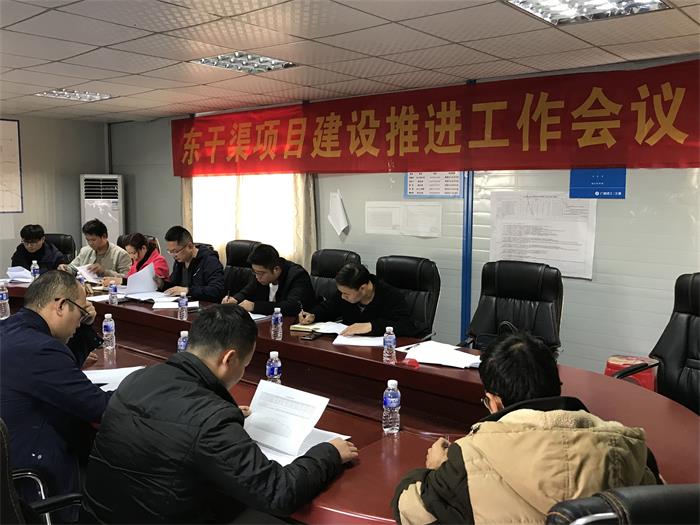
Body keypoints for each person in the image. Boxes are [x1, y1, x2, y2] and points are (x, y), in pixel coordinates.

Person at [81, 304, 358, 523]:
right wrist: (328, 454)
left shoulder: (138, 378)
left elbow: (170, 420)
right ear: (229, 358)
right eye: (245, 365)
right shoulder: (211, 420)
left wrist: (219, 414)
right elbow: (277, 492)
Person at [391, 332, 661, 525]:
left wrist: (433, 469)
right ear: (557, 387)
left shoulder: (468, 459)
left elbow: (410, 510)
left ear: (495, 401)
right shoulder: (628, 447)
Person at [0, 271, 112, 522]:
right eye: (80, 313)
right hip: (32, 477)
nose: (80, 322)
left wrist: (84, 328)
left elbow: (62, 373)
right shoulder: (40, 349)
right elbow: (98, 407)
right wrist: (144, 389)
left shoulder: (10, 329)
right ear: (61, 305)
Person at [297, 262, 419, 336]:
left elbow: (406, 325)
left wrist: (371, 326)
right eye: (341, 292)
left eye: (346, 294)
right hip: (349, 347)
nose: (342, 296)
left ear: (363, 288)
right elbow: (329, 307)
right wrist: (313, 315)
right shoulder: (346, 290)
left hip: (381, 352)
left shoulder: (390, 295)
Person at [223, 243, 316, 316]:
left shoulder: (297, 275)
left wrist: (255, 306)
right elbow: (247, 291)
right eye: (255, 272)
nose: (257, 277)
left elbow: (292, 307)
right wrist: (235, 299)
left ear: (276, 269)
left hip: (297, 324)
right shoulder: (259, 274)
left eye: (260, 273)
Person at [159, 226, 225, 302]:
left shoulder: (209, 260)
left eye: (175, 251)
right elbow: (175, 287)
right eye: (170, 251)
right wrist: (162, 284)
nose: (173, 255)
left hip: (204, 306)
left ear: (190, 246)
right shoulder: (179, 262)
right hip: (183, 305)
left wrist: (187, 291)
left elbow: (217, 290)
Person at [58, 218, 130, 281]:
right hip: (87, 288)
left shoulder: (121, 254)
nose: (90, 243)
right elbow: (74, 268)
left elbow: (127, 278)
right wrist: (66, 268)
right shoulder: (85, 251)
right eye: (88, 240)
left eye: (93, 240)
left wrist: (105, 272)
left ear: (104, 236)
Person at [101, 233, 169, 287]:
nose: (131, 257)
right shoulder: (137, 261)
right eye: (129, 253)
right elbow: (129, 278)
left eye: (133, 253)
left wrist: (120, 281)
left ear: (143, 248)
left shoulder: (159, 261)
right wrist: (114, 280)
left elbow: (149, 283)